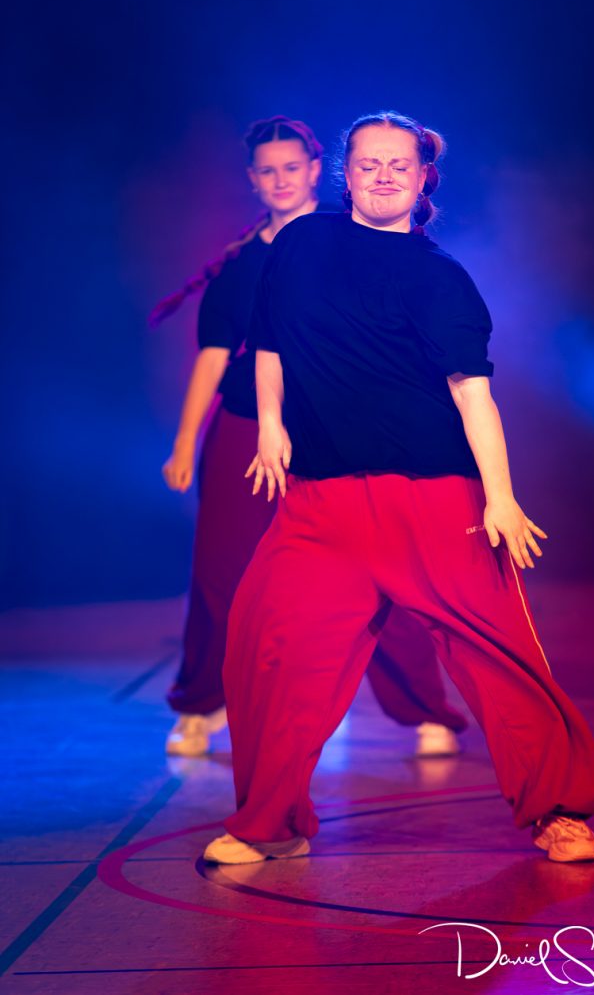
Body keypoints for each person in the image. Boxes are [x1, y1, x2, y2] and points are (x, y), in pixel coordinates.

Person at [203, 110, 594, 866]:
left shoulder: (439, 277)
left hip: (433, 501)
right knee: (268, 651)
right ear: (346, 173)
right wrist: (270, 424)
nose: (383, 175)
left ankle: (558, 810)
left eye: (399, 164)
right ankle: (270, 821)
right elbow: (272, 343)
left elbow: (472, 394)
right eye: (368, 163)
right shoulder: (302, 244)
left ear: (424, 179)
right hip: (321, 505)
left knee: (498, 658)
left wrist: (501, 496)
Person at [154, 115, 469, 758]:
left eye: (292, 168)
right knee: (222, 572)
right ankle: (204, 703)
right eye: (267, 170)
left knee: (381, 568)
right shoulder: (243, 265)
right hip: (249, 425)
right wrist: (185, 442)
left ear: (318, 171)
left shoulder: (343, 236)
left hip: (333, 423)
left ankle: (421, 706)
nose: (280, 180)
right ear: (252, 179)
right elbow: (215, 358)